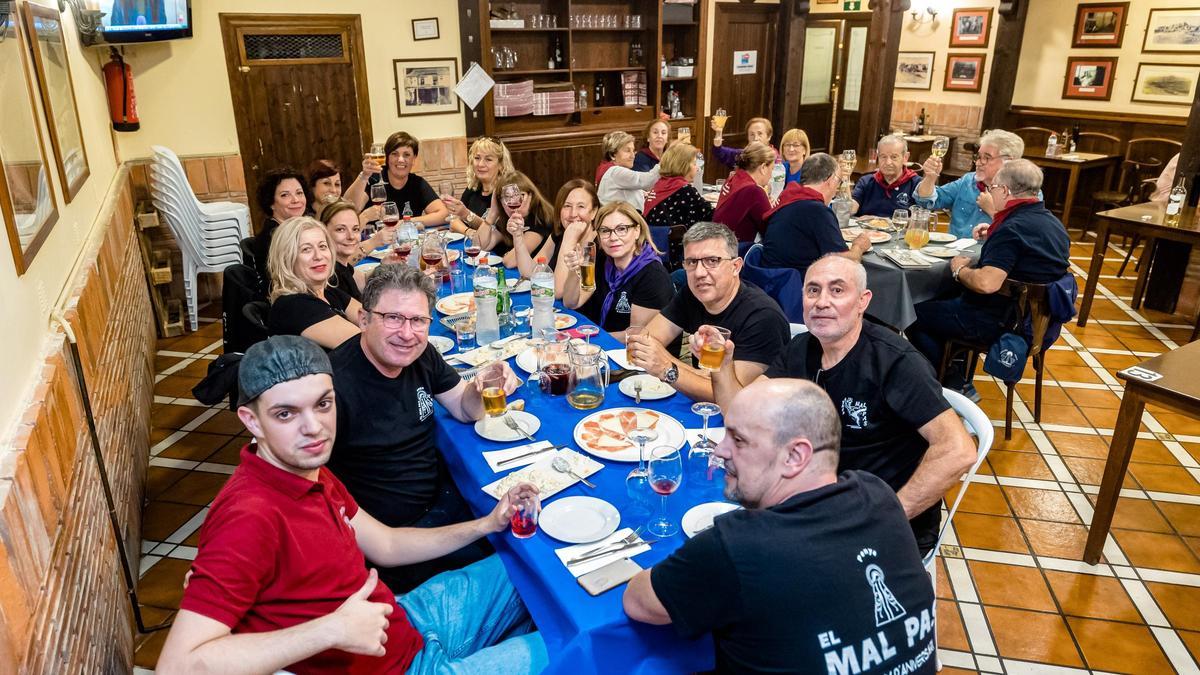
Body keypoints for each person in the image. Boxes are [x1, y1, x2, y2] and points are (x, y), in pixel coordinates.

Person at [157, 335, 546, 674]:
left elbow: (387, 545)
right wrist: (331, 629)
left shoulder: (307, 471)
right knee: (580, 650)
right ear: (251, 421)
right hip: (397, 665)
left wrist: (487, 525)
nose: (313, 427)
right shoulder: (249, 517)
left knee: (543, 570)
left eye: (323, 404)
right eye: (286, 413)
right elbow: (178, 666)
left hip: (405, 616)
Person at [623, 378, 937, 674]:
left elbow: (638, 602)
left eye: (739, 440)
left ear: (794, 456)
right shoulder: (878, 493)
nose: (720, 450)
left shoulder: (738, 546)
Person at [709, 255, 977, 553]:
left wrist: (888, 516)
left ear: (863, 301)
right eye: (813, 290)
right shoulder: (802, 348)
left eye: (837, 290)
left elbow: (959, 450)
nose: (822, 301)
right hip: (816, 502)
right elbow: (742, 411)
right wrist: (722, 365)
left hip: (875, 521)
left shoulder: (895, 361)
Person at [327, 264, 525, 591]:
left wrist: (484, 385)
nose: (407, 333)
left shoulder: (420, 354)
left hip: (441, 502)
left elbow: (464, 408)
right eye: (393, 318)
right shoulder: (334, 389)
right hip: (396, 539)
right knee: (520, 573)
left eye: (418, 320)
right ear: (363, 319)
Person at [907, 159, 1070, 398]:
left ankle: (951, 381)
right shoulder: (1053, 223)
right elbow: (1026, 262)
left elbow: (986, 283)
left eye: (992, 187)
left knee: (911, 314)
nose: (990, 192)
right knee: (945, 301)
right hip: (1037, 323)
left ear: (1004, 190)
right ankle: (956, 373)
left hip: (1002, 323)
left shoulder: (1012, 228)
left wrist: (959, 270)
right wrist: (991, 238)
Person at [627, 222, 789, 402]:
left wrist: (668, 367)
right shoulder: (693, 294)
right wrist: (697, 375)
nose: (699, 273)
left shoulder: (763, 318)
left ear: (735, 267)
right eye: (692, 262)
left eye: (712, 261)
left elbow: (728, 396)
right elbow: (647, 341)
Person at [562, 201, 675, 343]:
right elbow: (571, 303)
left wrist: (589, 338)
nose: (613, 237)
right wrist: (574, 271)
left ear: (637, 231)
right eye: (605, 231)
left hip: (632, 354)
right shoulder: (601, 260)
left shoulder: (653, 276)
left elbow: (635, 335)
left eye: (621, 229)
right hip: (600, 341)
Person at [761, 153, 871, 279]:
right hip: (795, 288)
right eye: (839, 183)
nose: (837, 189)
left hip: (770, 280)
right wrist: (858, 247)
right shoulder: (817, 210)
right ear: (831, 180)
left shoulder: (788, 198)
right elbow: (845, 263)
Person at [267, 217, 362, 350]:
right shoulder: (294, 306)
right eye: (306, 249)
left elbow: (370, 319)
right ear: (287, 258)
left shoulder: (327, 292)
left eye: (323, 246)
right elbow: (365, 346)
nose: (318, 256)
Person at [915, 129, 1027, 239]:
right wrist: (930, 177)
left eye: (986, 158)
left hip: (988, 255)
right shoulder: (968, 181)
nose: (978, 163)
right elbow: (927, 201)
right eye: (978, 157)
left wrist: (993, 211)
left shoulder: (1025, 192)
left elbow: (1021, 235)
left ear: (1008, 162)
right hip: (951, 252)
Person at [345, 131, 450, 229]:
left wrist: (405, 222)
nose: (400, 159)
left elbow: (443, 214)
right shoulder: (374, 178)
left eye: (406, 155)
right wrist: (363, 176)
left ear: (414, 159)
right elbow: (349, 208)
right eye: (394, 154)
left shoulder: (417, 183)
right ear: (387, 157)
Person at [512, 178, 599, 287]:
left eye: (581, 206)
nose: (573, 214)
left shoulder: (595, 246)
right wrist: (518, 235)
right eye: (567, 206)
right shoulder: (559, 235)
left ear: (593, 212)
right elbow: (530, 272)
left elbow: (559, 291)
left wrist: (569, 240)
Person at [318, 200, 397, 302]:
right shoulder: (330, 276)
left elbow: (363, 281)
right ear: (323, 231)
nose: (351, 236)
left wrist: (385, 265)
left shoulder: (341, 265)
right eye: (340, 229)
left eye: (355, 229)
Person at [475, 171, 554, 269]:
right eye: (506, 197)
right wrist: (492, 215)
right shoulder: (508, 219)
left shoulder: (540, 220)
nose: (513, 202)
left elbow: (510, 262)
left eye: (520, 195)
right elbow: (479, 246)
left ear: (531, 196)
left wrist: (505, 256)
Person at [251, 169, 309, 296]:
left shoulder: (297, 229)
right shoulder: (272, 237)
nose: (296, 200)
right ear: (271, 203)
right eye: (285, 195)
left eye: (299, 193)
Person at [442, 136, 514, 234]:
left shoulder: (506, 193)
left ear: (501, 164)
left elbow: (498, 233)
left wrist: (466, 217)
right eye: (477, 158)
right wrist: (467, 229)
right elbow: (454, 221)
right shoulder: (472, 189)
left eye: (488, 159)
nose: (480, 164)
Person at [712, 142, 774, 243]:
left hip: (716, 244)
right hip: (734, 253)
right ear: (763, 168)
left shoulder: (733, 178)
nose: (771, 175)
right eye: (772, 169)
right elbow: (770, 230)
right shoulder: (754, 191)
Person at [643, 142, 714, 230]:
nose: (697, 168)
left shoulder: (661, 183)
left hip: (653, 240)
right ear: (683, 166)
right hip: (674, 242)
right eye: (694, 164)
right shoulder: (686, 190)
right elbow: (711, 215)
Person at [851, 134, 920, 216]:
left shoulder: (917, 184)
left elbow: (919, 219)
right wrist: (845, 178)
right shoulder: (866, 181)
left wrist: (880, 221)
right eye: (883, 157)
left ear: (905, 157)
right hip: (863, 229)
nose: (888, 162)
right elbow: (851, 210)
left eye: (894, 157)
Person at [597, 130, 661, 210]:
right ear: (612, 154)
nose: (633, 156)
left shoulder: (609, 170)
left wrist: (642, 194)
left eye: (633, 151)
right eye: (627, 151)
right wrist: (667, 160)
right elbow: (648, 180)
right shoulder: (615, 172)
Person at [711, 117, 777, 170]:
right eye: (752, 134)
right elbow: (719, 152)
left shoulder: (775, 159)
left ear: (769, 136)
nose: (756, 138)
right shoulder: (743, 155)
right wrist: (718, 133)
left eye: (760, 134)